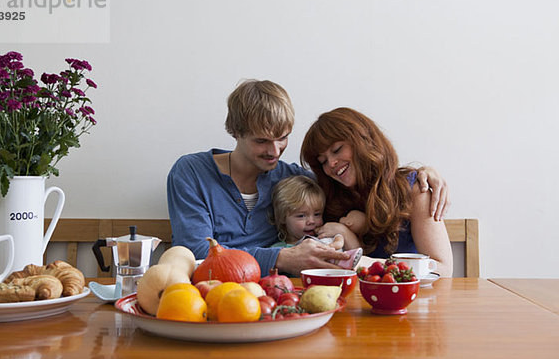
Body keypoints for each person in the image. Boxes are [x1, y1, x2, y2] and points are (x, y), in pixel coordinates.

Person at [167, 80, 449, 276]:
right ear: (235, 132)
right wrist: (283, 258)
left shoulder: (296, 180)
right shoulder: (192, 173)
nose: (274, 151)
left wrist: (426, 173)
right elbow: (196, 252)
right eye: (262, 140)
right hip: (216, 293)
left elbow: (370, 189)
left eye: (283, 138)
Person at [300, 107, 453, 276]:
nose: (331, 164)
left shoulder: (414, 189)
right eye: (323, 161)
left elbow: (444, 270)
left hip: (413, 299)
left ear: (362, 140)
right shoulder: (328, 198)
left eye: (337, 150)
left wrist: (367, 263)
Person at [269, 175, 362, 270]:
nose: (311, 221)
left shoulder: (325, 238)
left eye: (317, 214)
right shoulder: (280, 251)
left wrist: (337, 242)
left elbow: (359, 258)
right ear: (283, 218)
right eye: (301, 216)